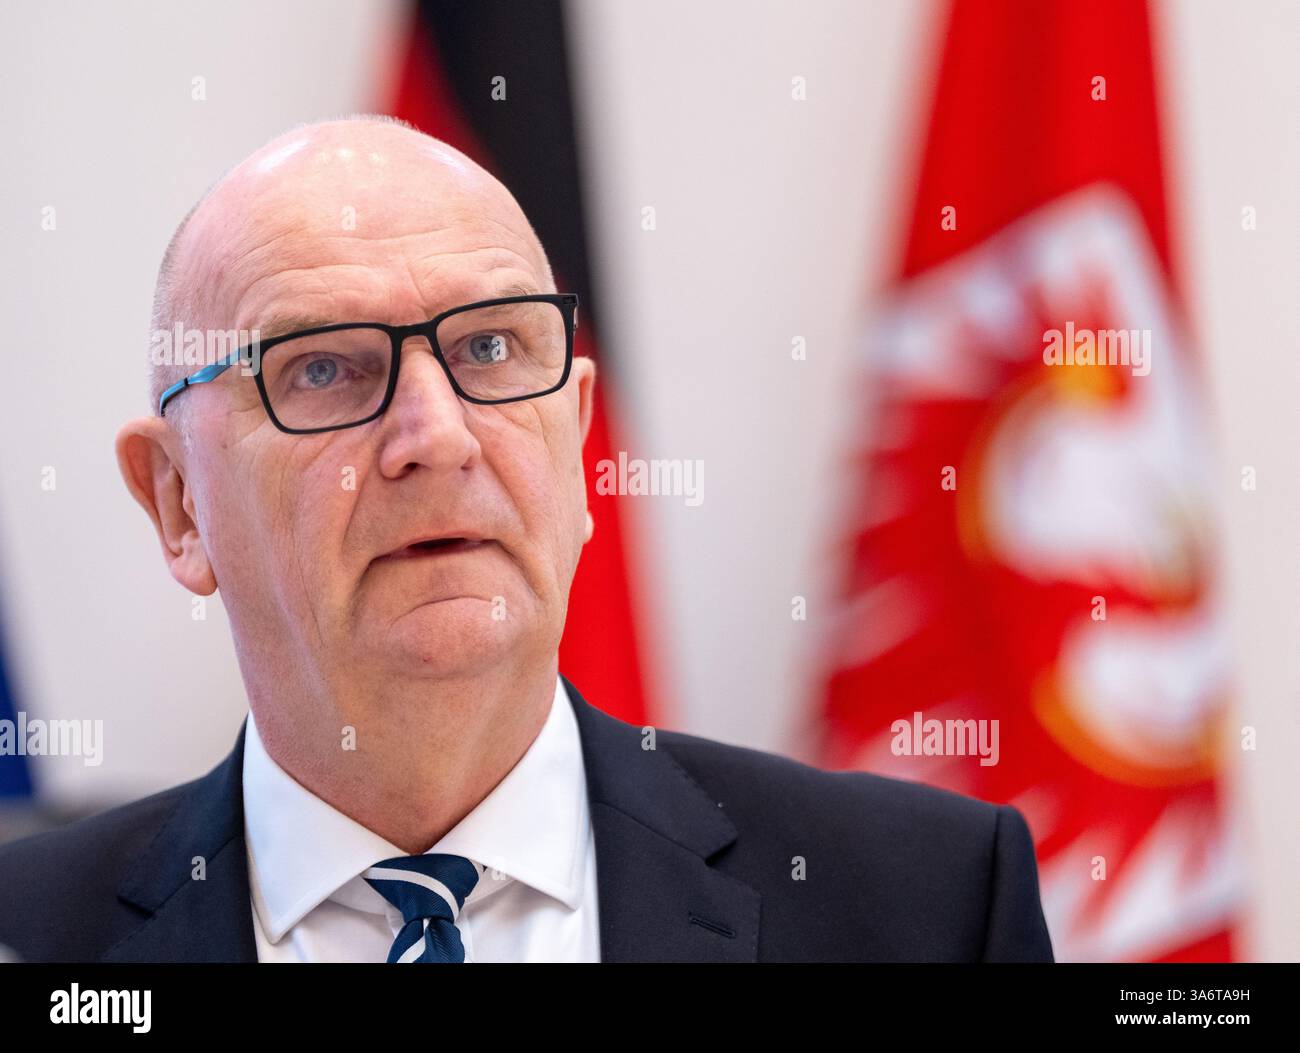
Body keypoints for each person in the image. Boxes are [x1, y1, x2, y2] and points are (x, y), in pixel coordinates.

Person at [0, 115, 1053, 963]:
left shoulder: (926, 902)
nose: (438, 435)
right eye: (324, 367)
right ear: (179, 503)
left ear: (577, 442)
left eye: (492, 347)